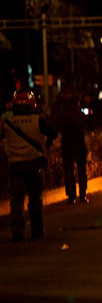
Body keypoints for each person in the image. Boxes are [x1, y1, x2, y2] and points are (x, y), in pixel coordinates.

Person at [1, 90, 57, 242]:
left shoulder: (7, 122)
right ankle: (37, 230)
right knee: (35, 199)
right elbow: (53, 133)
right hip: (34, 164)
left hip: (15, 166)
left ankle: (17, 232)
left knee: (16, 201)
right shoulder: (37, 120)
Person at [51, 87, 89, 204]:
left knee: (69, 172)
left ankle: (71, 196)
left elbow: (57, 126)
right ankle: (82, 195)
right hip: (79, 145)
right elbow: (89, 123)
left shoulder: (63, 116)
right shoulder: (80, 114)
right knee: (81, 171)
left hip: (67, 145)